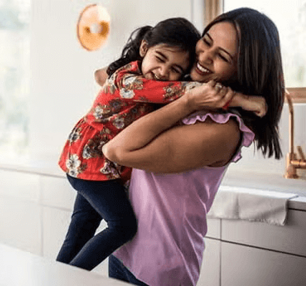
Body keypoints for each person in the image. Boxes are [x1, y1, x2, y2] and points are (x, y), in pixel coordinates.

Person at [56, 17, 265, 271]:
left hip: (94, 163)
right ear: (144, 49)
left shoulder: (139, 78)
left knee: (83, 224)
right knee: (121, 226)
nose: (165, 72)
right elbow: (182, 92)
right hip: (91, 161)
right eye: (160, 58)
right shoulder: (132, 81)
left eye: (176, 69)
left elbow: (177, 90)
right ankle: (67, 278)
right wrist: (242, 100)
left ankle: (60, 274)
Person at [101, 8, 284, 286]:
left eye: (222, 56)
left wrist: (189, 102)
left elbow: (117, 150)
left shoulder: (221, 129)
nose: (204, 57)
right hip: (125, 250)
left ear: (242, 69)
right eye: (206, 41)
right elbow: (103, 76)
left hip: (159, 266)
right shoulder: (184, 90)